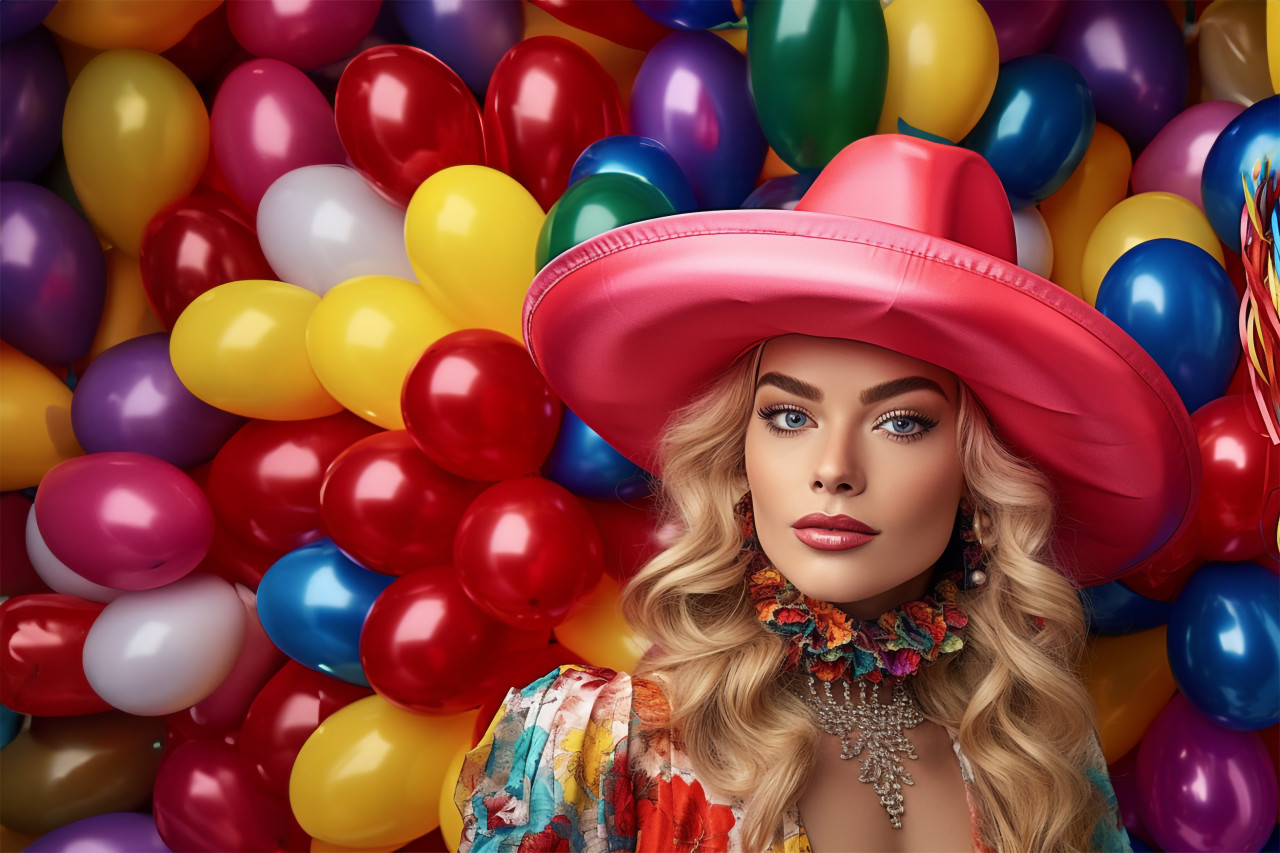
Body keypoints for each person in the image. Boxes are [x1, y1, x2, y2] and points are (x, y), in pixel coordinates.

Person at [454, 135, 1198, 852]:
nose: (834, 466)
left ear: (978, 471)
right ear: (737, 450)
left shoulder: (1041, 766)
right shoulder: (593, 749)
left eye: (902, 421)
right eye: (789, 415)